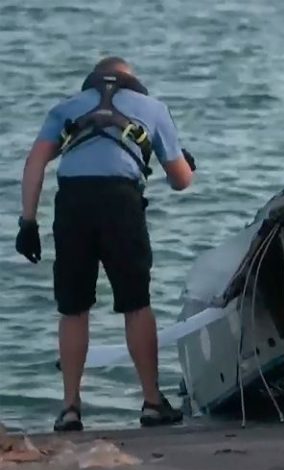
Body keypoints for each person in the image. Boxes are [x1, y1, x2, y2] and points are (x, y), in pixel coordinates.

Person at [15, 56, 196, 431]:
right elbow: (181, 181)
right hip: (120, 201)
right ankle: (151, 402)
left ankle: (69, 408)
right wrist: (186, 164)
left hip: (72, 203)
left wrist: (27, 222)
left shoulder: (65, 107)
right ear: (134, 82)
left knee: (73, 308)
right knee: (136, 303)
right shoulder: (152, 109)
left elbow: (35, 163)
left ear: (91, 80)